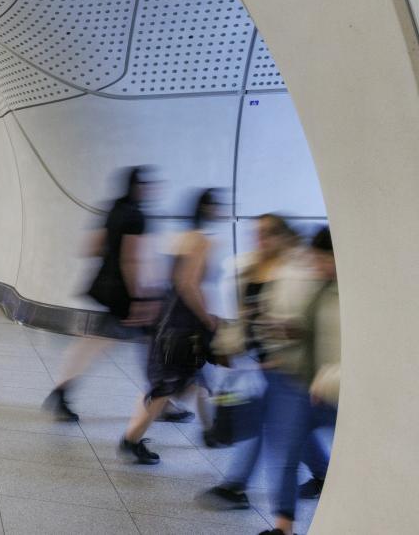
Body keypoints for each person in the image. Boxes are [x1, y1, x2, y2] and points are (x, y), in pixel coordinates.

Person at [200, 215, 320, 511]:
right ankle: (240, 486)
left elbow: (307, 322)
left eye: (266, 234)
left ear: (282, 236)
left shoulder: (298, 272)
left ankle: (239, 487)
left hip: (287, 365)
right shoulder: (251, 267)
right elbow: (245, 316)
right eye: (257, 233)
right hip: (256, 363)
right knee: (271, 425)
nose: (260, 239)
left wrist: (285, 340)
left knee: (277, 429)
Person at [117, 189, 224, 464]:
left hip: (168, 318)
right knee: (165, 385)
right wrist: (206, 317)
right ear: (209, 209)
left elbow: (170, 278)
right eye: (219, 206)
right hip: (181, 323)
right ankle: (131, 439)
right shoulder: (201, 241)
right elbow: (187, 283)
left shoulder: (181, 237)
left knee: (195, 377)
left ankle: (212, 431)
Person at [44, 167, 159, 422]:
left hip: (107, 288)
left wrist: (110, 262)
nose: (153, 190)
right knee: (108, 344)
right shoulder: (136, 216)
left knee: (96, 343)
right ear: (139, 188)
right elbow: (132, 260)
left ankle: (62, 390)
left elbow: (92, 247)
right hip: (126, 295)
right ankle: (161, 396)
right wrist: (139, 299)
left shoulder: (114, 210)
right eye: (149, 185)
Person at [255, 226, 338, 535]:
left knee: (296, 445)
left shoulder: (350, 296)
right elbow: (310, 329)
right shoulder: (318, 285)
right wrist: (288, 331)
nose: (317, 266)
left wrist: (330, 380)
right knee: (288, 449)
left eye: (322, 260)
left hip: (333, 388)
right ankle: (284, 527)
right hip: (304, 382)